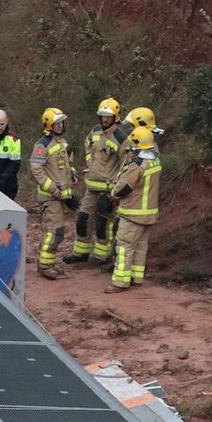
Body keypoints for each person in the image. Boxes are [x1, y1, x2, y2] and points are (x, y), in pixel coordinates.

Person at [74, 97, 127, 266]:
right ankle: (80, 253)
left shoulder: (120, 138)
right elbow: (87, 144)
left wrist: (115, 190)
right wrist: (90, 162)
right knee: (82, 218)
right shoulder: (95, 131)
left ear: (115, 117)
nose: (105, 119)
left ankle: (102, 257)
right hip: (91, 186)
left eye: (108, 116)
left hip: (107, 189)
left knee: (102, 224)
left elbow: (125, 164)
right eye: (103, 116)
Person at [109, 123, 161, 291]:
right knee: (140, 247)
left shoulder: (137, 164)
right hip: (148, 214)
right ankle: (136, 279)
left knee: (124, 247)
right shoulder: (155, 158)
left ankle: (120, 282)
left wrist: (113, 191)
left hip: (133, 213)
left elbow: (121, 189)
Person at [29, 107, 78, 278]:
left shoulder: (61, 142)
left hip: (60, 196)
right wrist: (52, 188)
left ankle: (47, 263)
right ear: (49, 125)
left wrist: (73, 173)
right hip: (50, 197)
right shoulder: (43, 144)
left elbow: (67, 162)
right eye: (56, 123)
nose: (59, 126)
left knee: (56, 231)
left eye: (61, 122)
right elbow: (36, 168)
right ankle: (45, 266)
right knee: (53, 232)